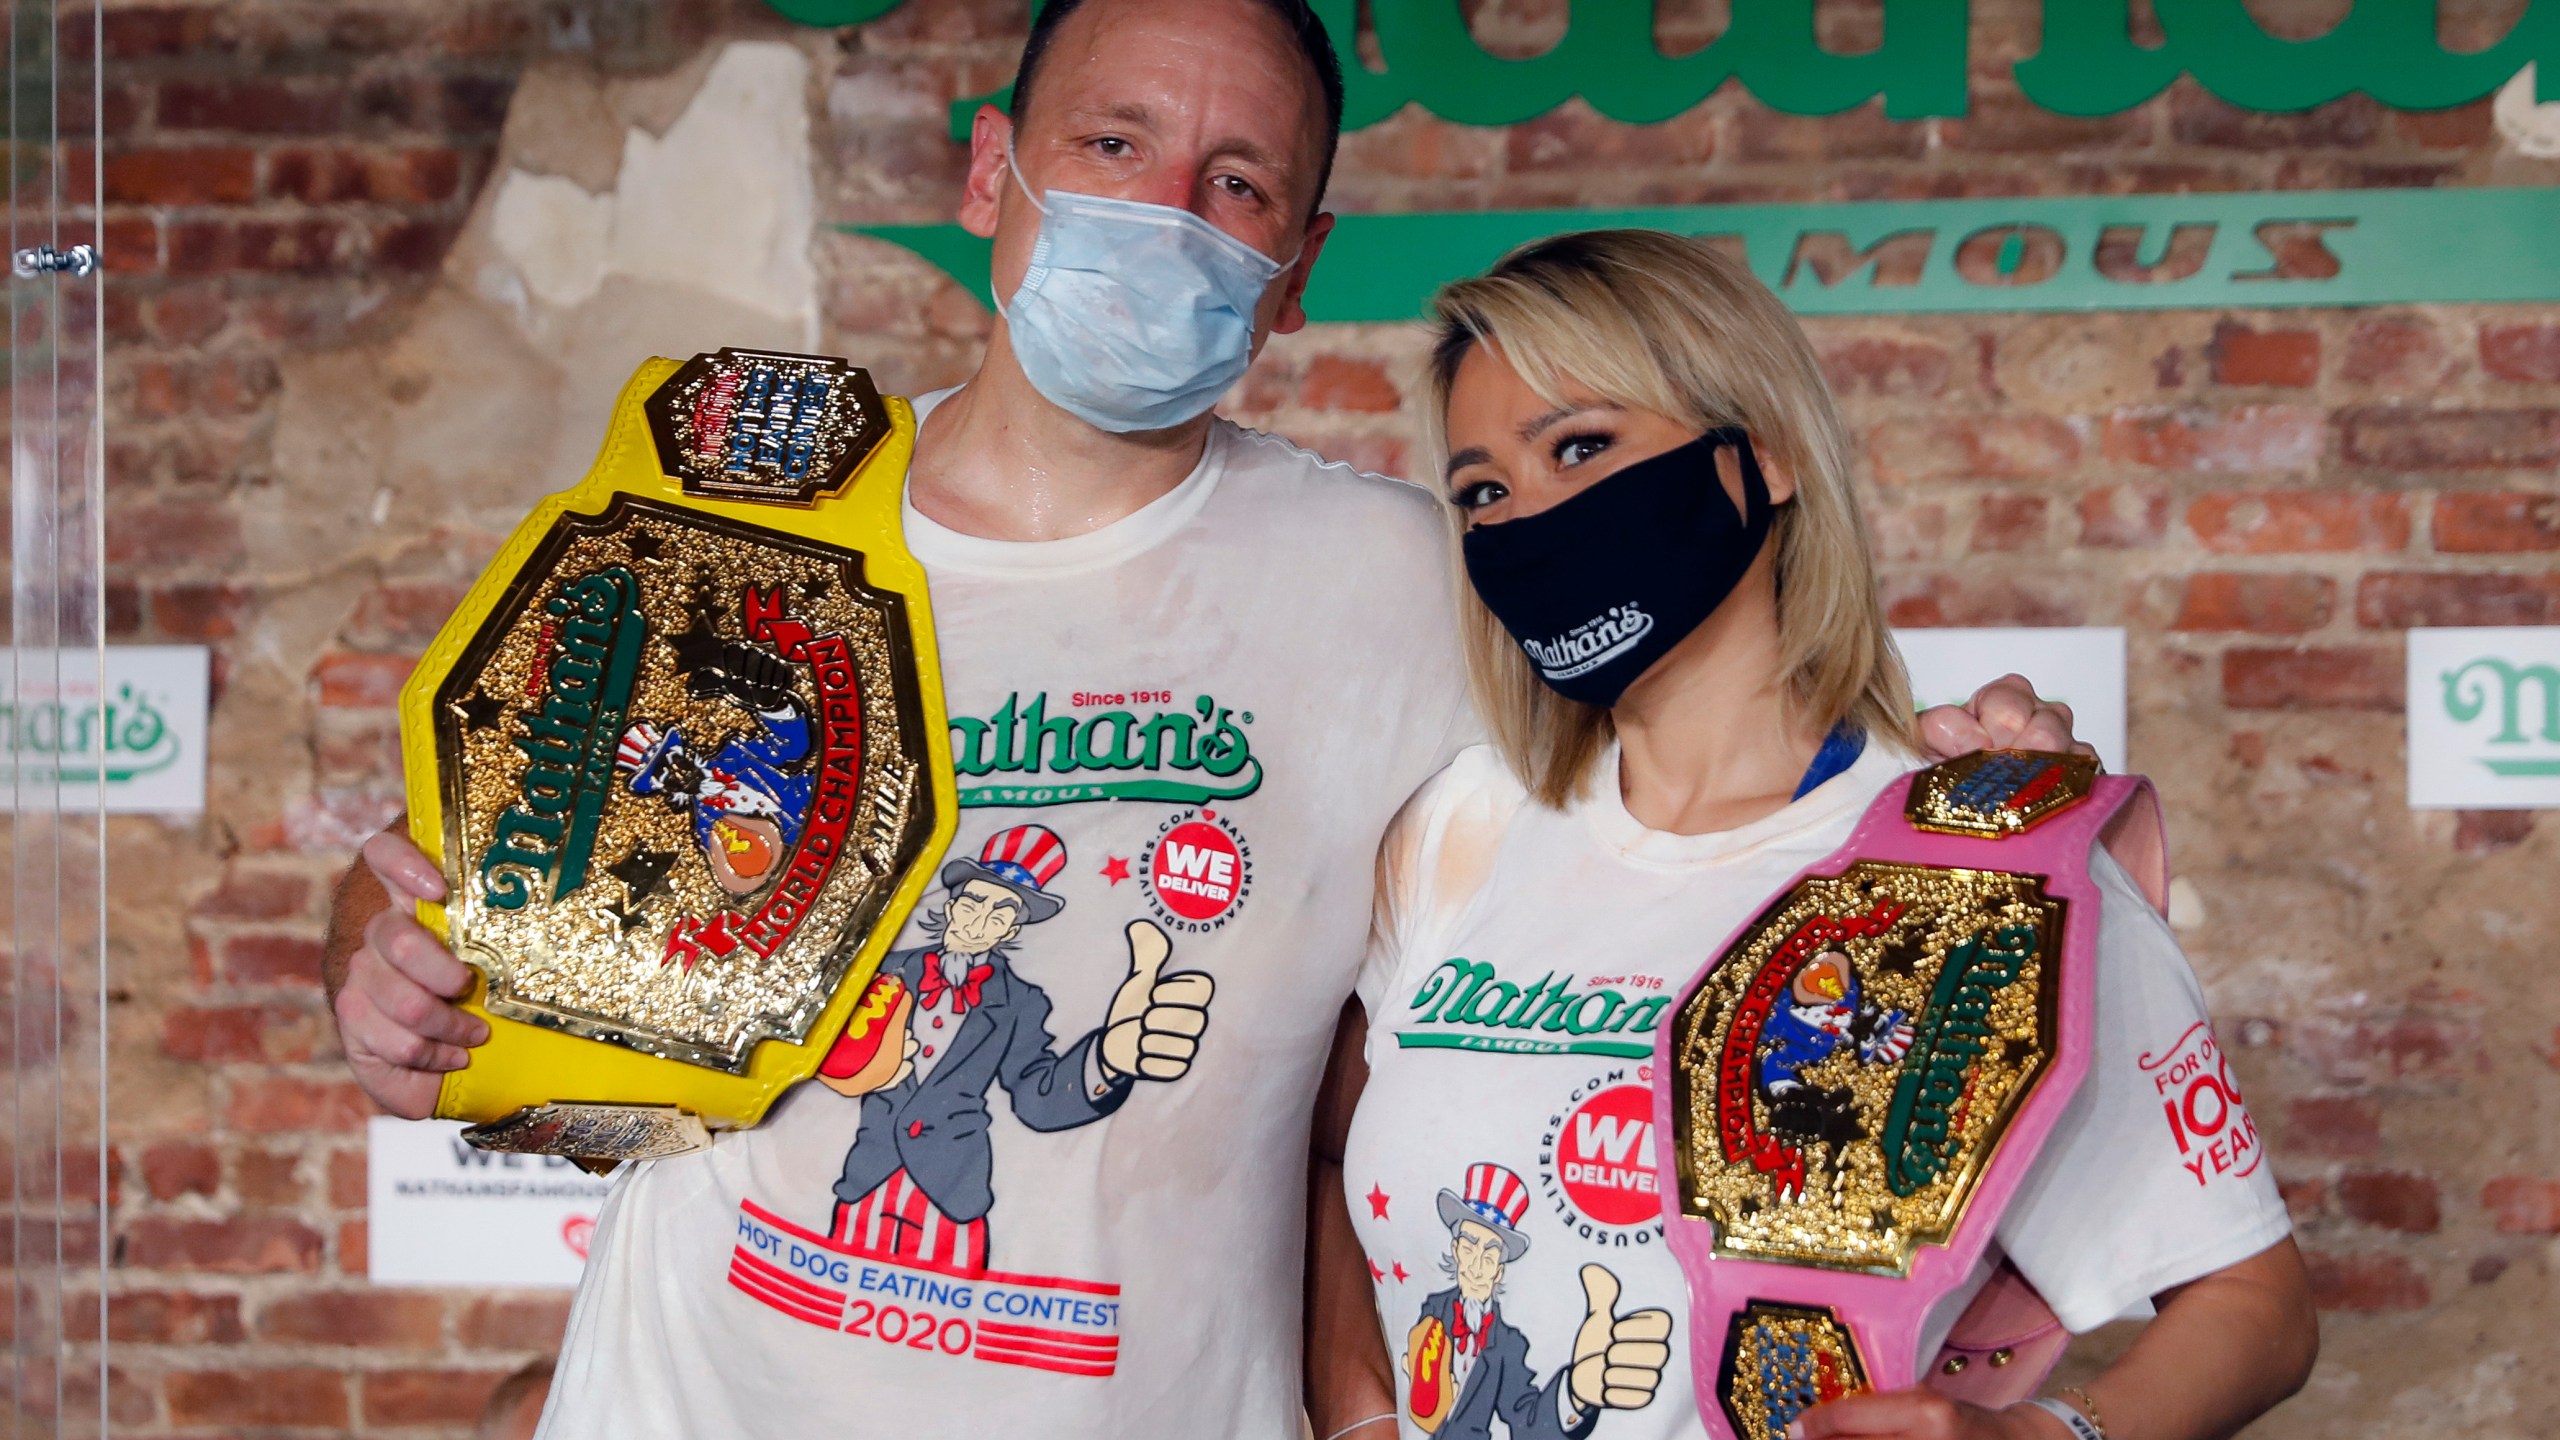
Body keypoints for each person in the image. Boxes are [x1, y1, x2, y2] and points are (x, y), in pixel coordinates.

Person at [320, 4, 2082, 1437]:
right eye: (1114, 146)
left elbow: (1709, 790)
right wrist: (385, 967)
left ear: (1298, 264)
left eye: (1236, 183)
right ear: (993, 169)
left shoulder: (1409, 579)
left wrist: (1957, 780)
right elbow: (471, 873)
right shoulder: (748, 516)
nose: (1169, 209)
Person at [1312, 231, 2317, 1440]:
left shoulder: (1978, 867)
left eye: (1581, 447)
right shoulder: (1454, 832)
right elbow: (1320, 1163)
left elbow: (2255, 1303)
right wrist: (1364, 1417)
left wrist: (2041, 1437)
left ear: (1765, 455)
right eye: (1483, 492)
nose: (1532, 520)